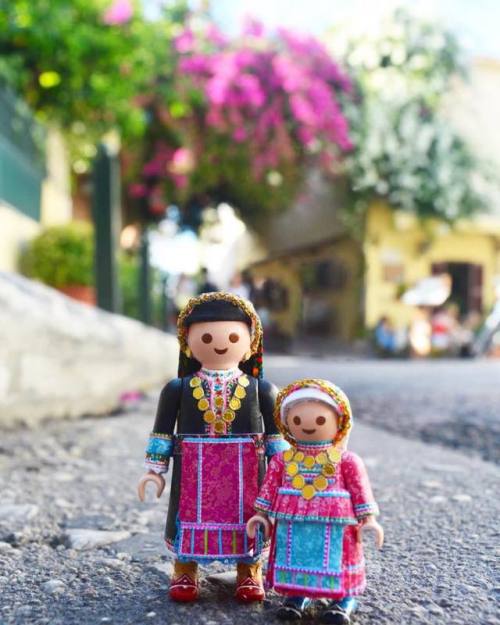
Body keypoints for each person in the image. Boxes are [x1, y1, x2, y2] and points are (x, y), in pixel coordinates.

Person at [137, 292, 288, 603]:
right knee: (187, 515)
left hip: (246, 468)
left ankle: (249, 569)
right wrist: (155, 470)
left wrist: (283, 474)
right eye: (205, 336)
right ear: (188, 342)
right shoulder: (178, 389)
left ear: (251, 344)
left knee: (250, 515)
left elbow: (276, 439)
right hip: (194, 466)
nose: (220, 342)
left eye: (234, 336)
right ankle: (185, 568)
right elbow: (163, 431)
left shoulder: (262, 389)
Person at [247, 379, 383, 623]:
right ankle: (297, 595)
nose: (307, 425)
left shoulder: (346, 461)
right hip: (292, 522)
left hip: (337, 525)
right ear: (286, 423)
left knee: (338, 562)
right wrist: (261, 514)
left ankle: (344, 600)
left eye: (321, 420)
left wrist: (369, 520)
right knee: (295, 557)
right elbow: (269, 488)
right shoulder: (282, 460)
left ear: (339, 421)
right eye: (296, 420)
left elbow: (360, 491)